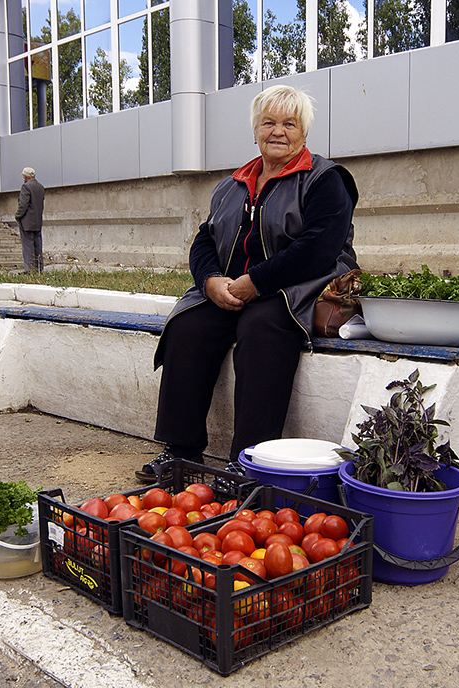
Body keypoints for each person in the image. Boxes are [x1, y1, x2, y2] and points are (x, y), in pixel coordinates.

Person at [137, 85, 359, 483]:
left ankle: (248, 460)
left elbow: (319, 248)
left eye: (289, 124)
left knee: (262, 328)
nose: (278, 132)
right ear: (255, 130)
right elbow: (204, 240)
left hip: (296, 288)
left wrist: (256, 282)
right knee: (188, 327)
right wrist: (210, 281)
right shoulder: (233, 184)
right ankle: (181, 450)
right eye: (269, 122)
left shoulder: (326, 179)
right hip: (234, 289)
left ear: (304, 132)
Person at [14, 167, 45, 272]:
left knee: (28, 247)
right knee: (38, 246)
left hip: (27, 222)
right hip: (37, 221)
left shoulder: (26, 187)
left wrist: (18, 216)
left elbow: (23, 205)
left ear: (25, 176)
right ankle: (39, 268)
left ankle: (29, 269)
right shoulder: (40, 187)